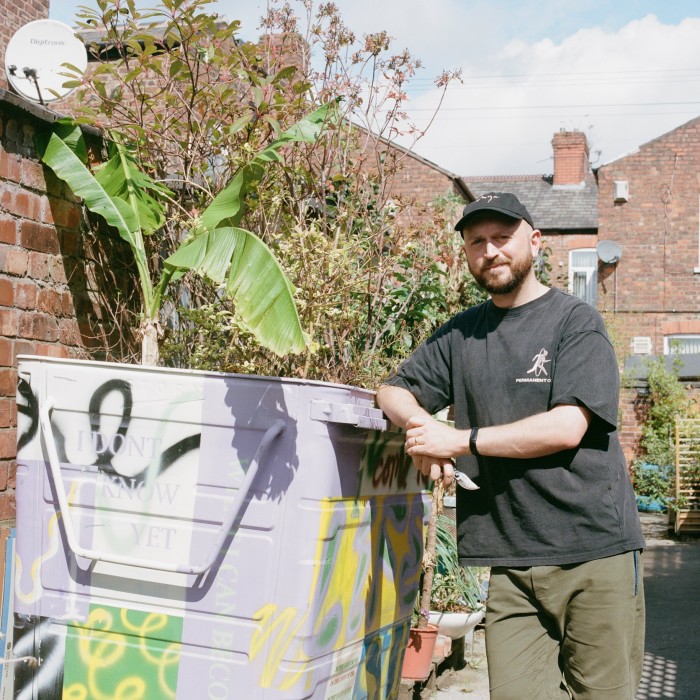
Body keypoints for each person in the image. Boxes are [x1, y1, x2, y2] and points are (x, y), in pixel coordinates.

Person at [376, 192, 645, 699]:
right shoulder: (462, 335)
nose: (491, 251)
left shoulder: (576, 322)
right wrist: (422, 430)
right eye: (477, 242)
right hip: (512, 561)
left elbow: (569, 425)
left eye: (503, 237)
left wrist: (457, 440)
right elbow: (391, 389)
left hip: (593, 552)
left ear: (534, 241)